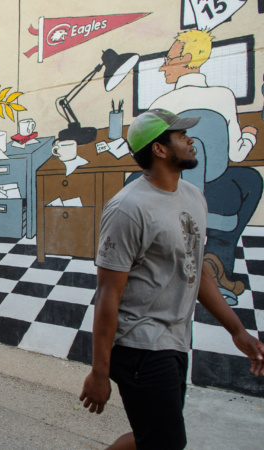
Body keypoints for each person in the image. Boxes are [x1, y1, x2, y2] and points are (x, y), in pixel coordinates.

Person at [79, 109, 264, 450]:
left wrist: (237, 330)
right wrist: (100, 372)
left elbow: (196, 269)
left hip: (175, 342)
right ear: (160, 150)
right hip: (139, 348)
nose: (191, 140)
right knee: (166, 442)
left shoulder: (192, 196)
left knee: (155, 438)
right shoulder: (128, 208)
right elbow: (107, 296)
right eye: (181, 136)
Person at [150, 29, 261, 303]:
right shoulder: (223, 96)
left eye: (169, 58)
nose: (164, 66)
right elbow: (237, 153)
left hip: (171, 189)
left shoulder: (159, 105)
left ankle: (161, 269)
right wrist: (250, 135)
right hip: (214, 188)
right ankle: (218, 261)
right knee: (251, 179)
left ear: (187, 58)